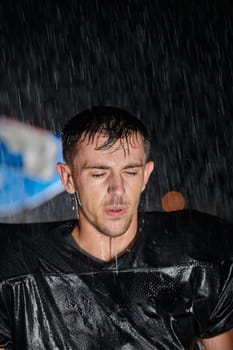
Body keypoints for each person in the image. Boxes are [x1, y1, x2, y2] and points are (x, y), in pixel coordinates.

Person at [0, 106, 233, 350]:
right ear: (68, 178)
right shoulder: (14, 272)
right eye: (99, 174)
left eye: (130, 172)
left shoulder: (200, 262)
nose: (117, 190)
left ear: (145, 175)